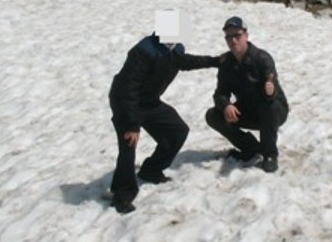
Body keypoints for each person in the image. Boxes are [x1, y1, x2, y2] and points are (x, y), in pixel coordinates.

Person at [108, 27, 219, 215]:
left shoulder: (175, 50)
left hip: (149, 102)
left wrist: (216, 61)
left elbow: (186, 61)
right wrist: (132, 125)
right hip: (125, 102)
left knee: (178, 131)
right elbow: (129, 89)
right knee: (128, 144)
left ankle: (151, 170)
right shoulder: (143, 51)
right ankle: (122, 194)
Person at [206, 16, 288, 173]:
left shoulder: (262, 58)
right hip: (248, 109)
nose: (233, 40)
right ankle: (250, 148)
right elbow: (220, 93)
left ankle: (269, 154)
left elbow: (272, 88)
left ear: (246, 35)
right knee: (213, 115)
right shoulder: (226, 63)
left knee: (269, 106)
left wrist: (270, 91)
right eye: (229, 37)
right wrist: (226, 105)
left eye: (237, 35)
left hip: (273, 111)